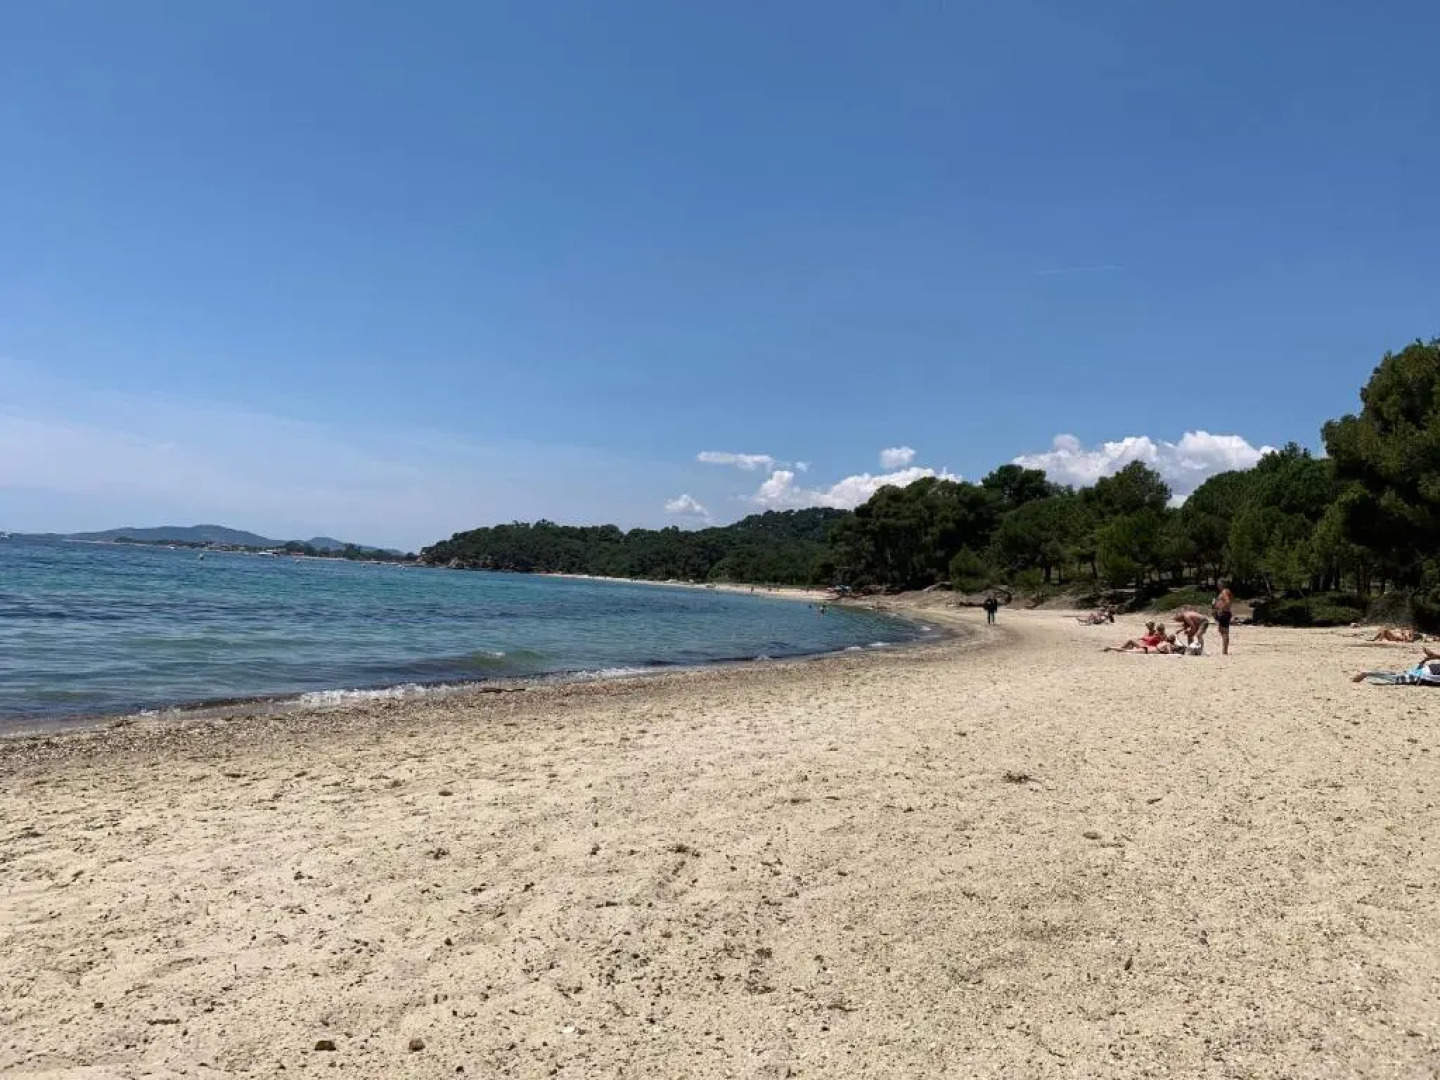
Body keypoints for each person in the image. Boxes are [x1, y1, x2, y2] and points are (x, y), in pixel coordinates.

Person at [1351, 650, 1440, 685]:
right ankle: (1367, 673)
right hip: (1426, 673)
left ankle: (1368, 674)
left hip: (1427, 670)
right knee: (1396, 678)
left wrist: (1431, 658)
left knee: (1397, 675)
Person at [1212, 585, 1234, 655]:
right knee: (1224, 631)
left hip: (1224, 613)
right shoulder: (1227, 591)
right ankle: (1225, 650)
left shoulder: (1224, 592)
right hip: (1226, 612)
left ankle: (1225, 651)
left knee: (1223, 631)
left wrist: (1221, 609)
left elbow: (1227, 601)